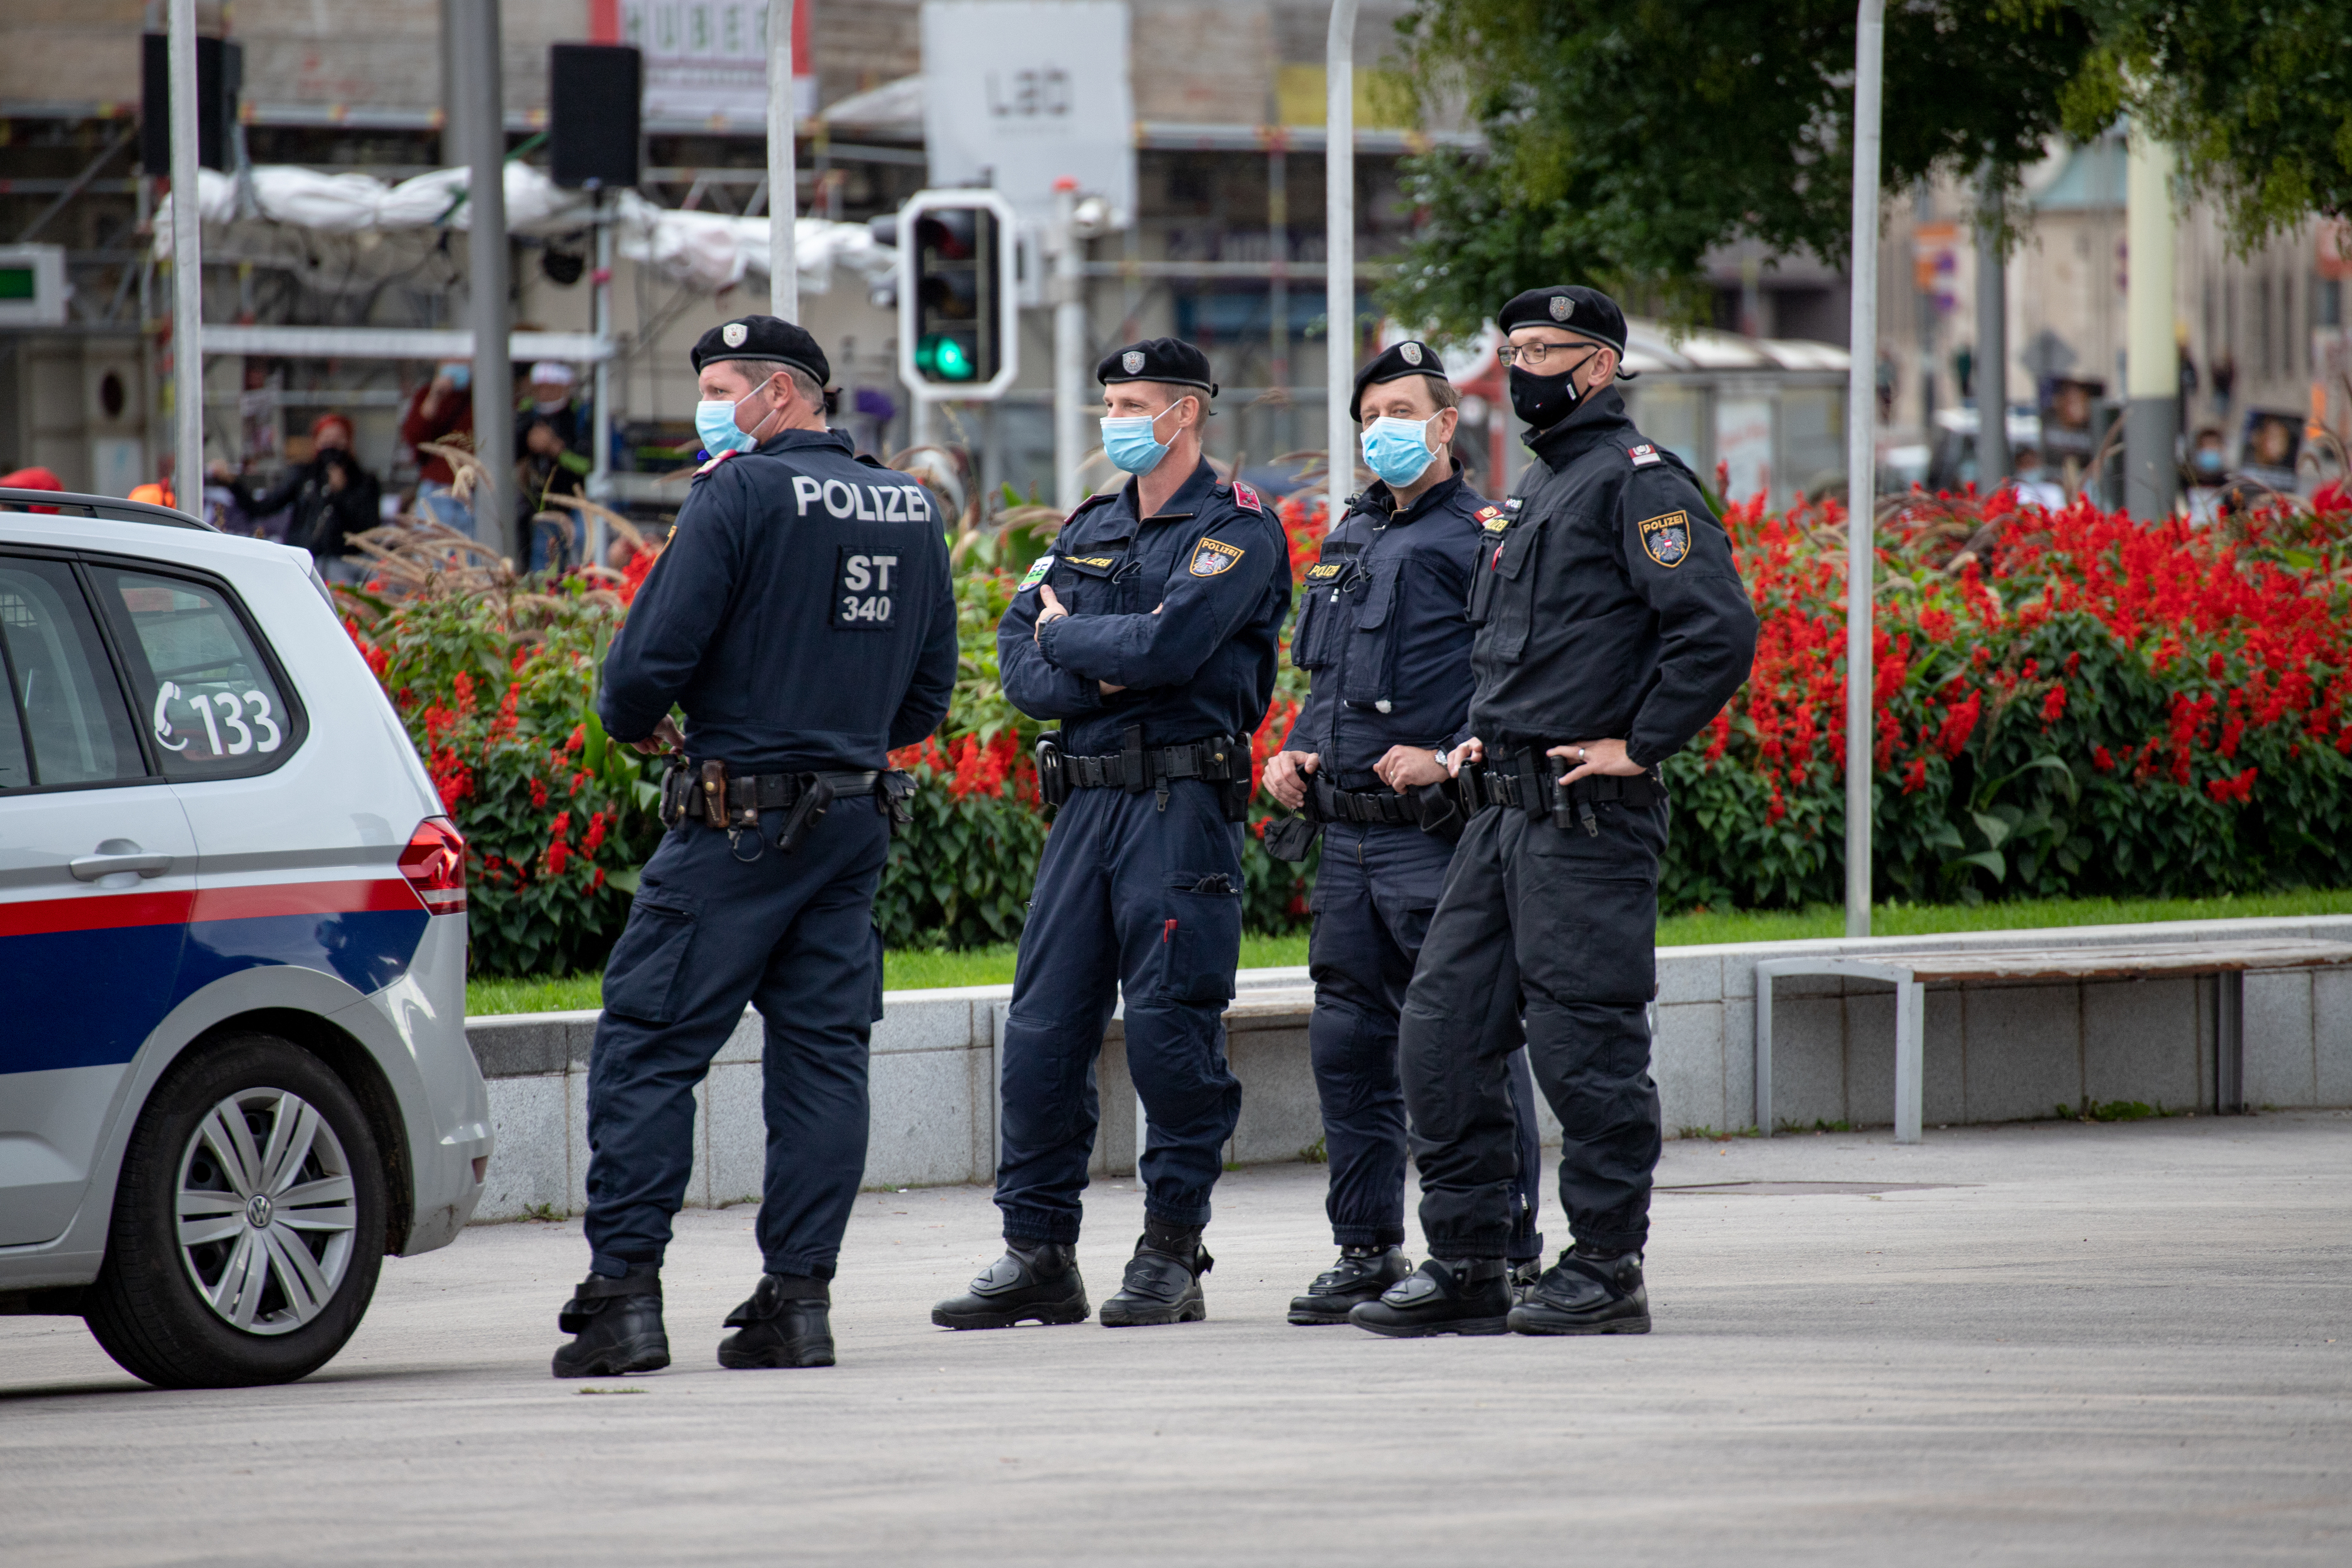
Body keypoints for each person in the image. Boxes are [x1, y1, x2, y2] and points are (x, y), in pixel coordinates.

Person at [550, 315, 958, 1379]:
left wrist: (650, 717)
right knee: (823, 1062)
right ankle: (798, 1303)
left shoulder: (737, 493)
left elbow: (645, 665)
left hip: (736, 824)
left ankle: (624, 1299)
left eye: (721, 387)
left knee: (647, 1047)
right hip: (853, 822)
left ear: (781, 394)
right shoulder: (909, 504)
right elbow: (926, 697)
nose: (710, 409)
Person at [1351, 285, 1756, 1339]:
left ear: (1599, 366)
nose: (1523, 366)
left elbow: (1715, 628)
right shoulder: (1541, 483)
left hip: (1587, 820)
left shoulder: (1638, 480)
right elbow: (1533, 649)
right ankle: (1471, 1260)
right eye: (1516, 348)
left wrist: (1641, 741)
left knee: (1586, 1049)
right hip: (1501, 816)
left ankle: (1608, 1267)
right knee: (1440, 1036)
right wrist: (1487, 734)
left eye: (1544, 350)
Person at [933, 338, 1289, 1331]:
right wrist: (1100, 662)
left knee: (1172, 1034)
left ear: (1188, 411)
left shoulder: (1237, 528)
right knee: (1042, 1034)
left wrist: (1070, 638)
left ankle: (1171, 1252)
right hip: (1085, 808)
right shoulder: (1089, 525)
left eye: (1135, 403)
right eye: (1111, 403)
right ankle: (1038, 1253)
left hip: (1179, 807)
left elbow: (1172, 645)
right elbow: (1019, 661)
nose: (1116, 420)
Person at [1262, 340, 1548, 1325]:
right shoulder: (1352, 534)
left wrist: (1451, 753)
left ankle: (1506, 1252)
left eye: (1400, 412)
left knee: (1467, 1040)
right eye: (1369, 416)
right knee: (1348, 1046)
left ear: (1445, 424)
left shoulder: (1483, 535)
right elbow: (1329, 678)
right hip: (1347, 839)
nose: (1380, 429)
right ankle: (1366, 1247)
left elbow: (1518, 674)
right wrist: (1295, 751)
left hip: (1436, 837)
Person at [220, 415, 382, 583]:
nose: (333, 446)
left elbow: (369, 528)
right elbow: (262, 508)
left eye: (338, 440)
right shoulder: (304, 475)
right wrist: (233, 484)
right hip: (307, 558)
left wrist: (341, 493)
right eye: (327, 439)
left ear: (349, 442)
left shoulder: (365, 482)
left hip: (345, 561)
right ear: (316, 442)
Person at [400, 361, 477, 537]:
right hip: (437, 488)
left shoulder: (482, 397)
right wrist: (434, 398)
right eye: (451, 360)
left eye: (463, 360)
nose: (457, 364)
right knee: (433, 546)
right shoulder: (426, 395)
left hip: (474, 490)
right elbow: (414, 439)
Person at [2009, 446, 2066, 511]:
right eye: (2025, 463)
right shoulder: (2014, 491)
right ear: (2018, 466)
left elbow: (2060, 512)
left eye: (2032, 462)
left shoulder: (2054, 490)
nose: (2029, 467)